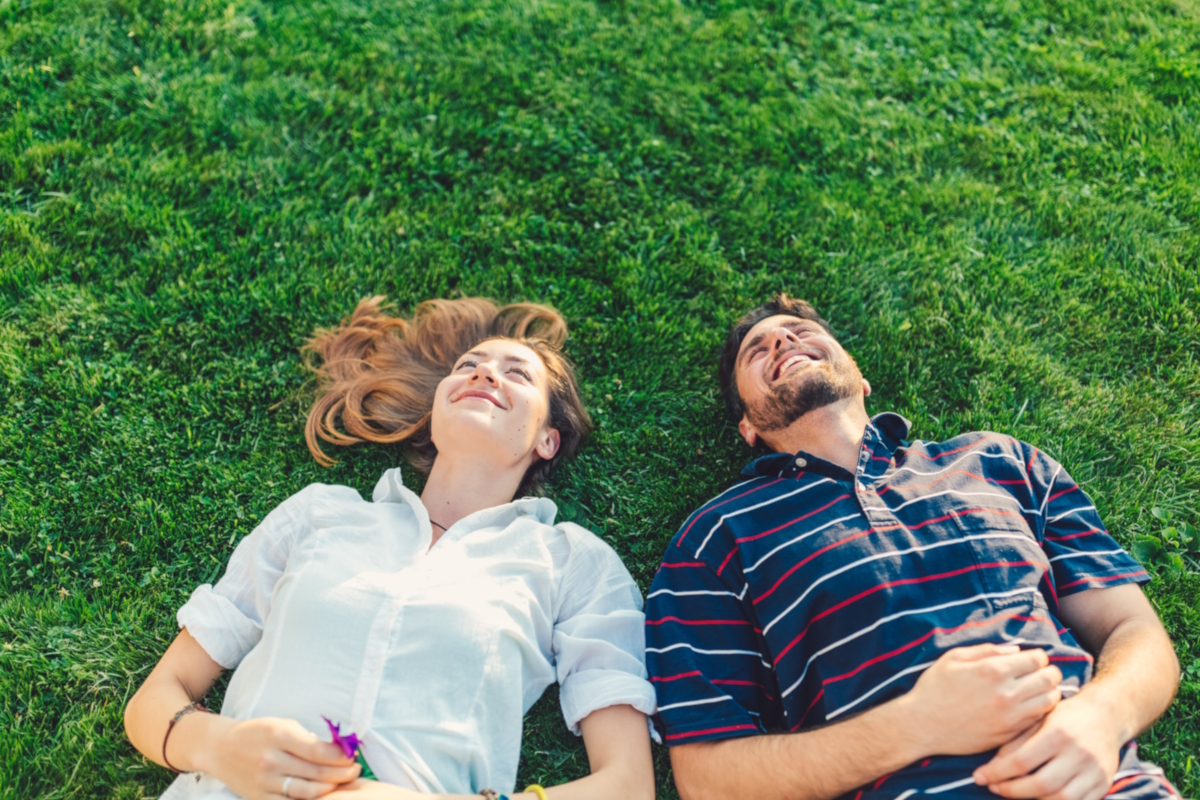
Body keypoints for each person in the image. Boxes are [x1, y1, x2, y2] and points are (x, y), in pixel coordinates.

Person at [645, 294, 1181, 800]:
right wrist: (914, 725)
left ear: (860, 375)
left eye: (800, 332)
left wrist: (1102, 717)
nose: (783, 343)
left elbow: (1134, 630)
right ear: (747, 425)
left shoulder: (1003, 462)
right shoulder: (715, 538)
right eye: (757, 352)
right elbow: (707, 778)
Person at [124, 297, 657, 800]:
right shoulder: (320, 515)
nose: (485, 373)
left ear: (547, 438)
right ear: (435, 411)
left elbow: (627, 784)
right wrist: (220, 745)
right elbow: (157, 697)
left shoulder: (570, 564)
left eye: (517, 374)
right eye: (469, 364)